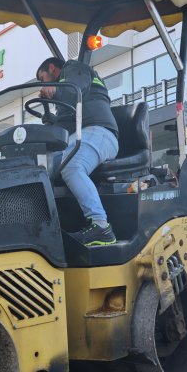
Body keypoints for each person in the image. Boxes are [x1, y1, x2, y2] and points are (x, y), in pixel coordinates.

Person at [36, 56, 120, 246]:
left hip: (100, 132)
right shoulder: (67, 102)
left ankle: (101, 226)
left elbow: (75, 89)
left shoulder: (75, 70)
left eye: (43, 79)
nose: (43, 84)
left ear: (52, 68)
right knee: (39, 169)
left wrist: (55, 90)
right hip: (77, 136)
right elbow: (61, 125)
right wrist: (47, 110)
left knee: (72, 166)